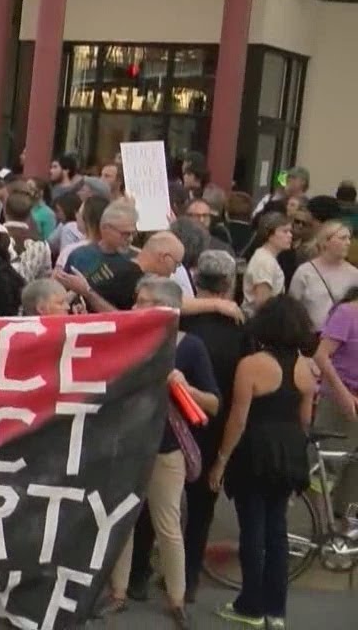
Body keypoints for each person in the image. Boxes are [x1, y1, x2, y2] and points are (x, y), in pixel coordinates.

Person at [105, 278, 220, 628]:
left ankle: (177, 598)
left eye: (144, 302)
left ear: (167, 309)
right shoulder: (124, 338)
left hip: (165, 447)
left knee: (167, 524)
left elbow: (213, 403)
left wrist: (184, 386)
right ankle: (118, 593)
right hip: (126, 446)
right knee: (122, 522)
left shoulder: (190, 347)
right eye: (136, 301)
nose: (136, 308)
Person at [210, 296, 317, 629]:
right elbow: (304, 419)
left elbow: (238, 420)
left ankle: (250, 605)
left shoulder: (252, 365)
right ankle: (276, 610)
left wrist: (221, 460)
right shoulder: (306, 367)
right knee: (277, 531)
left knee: (252, 531)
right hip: (289, 452)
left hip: (254, 452)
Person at [174, 250, 249, 603]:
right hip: (215, 426)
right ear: (230, 284)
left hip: (170, 424)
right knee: (202, 507)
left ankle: (146, 572)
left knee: (160, 505)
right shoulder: (240, 329)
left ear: (196, 279)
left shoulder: (181, 322)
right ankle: (188, 580)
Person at [313, 287, 358, 525]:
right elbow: (321, 355)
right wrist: (342, 393)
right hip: (339, 401)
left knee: (353, 472)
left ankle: (345, 526)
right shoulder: (346, 314)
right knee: (327, 468)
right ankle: (322, 525)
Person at [289, 220, 357, 332]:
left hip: (343, 338)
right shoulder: (305, 272)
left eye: (349, 238)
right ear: (325, 242)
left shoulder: (354, 274)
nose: (348, 242)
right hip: (311, 337)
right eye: (343, 238)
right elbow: (292, 310)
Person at [244, 212, 293, 316]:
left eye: (290, 231)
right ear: (269, 235)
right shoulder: (264, 261)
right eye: (285, 231)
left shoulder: (268, 258)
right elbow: (262, 303)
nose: (290, 235)